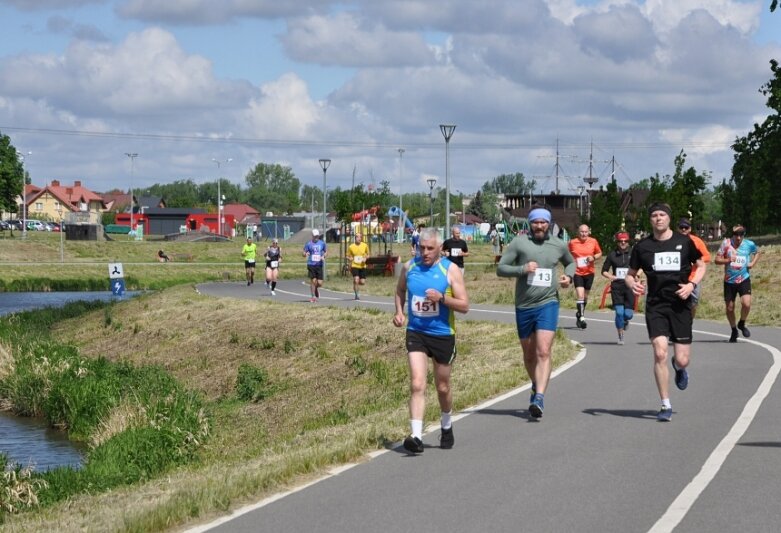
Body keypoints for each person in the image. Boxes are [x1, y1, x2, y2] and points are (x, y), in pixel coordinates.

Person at [624, 202, 706, 422]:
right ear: (650, 220)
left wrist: (691, 285)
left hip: (680, 305)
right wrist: (633, 284)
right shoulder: (642, 247)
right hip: (656, 305)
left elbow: (701, 265)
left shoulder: (684, 241)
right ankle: (665, 404)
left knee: (683, 359)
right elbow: (630, 274)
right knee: (660, 352)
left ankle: (679, 369)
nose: (658, 218)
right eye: (654, 215)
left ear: (669, 218)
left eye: (662, 215)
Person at [393, 227, 469, 454]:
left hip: (443, 334)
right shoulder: (410, 267)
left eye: (429, 249)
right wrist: (399, 312)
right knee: (417, 383)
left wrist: (442, 298)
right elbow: (399, 291)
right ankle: (416, 436)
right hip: (416, 332)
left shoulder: (450, 270)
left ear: (440, 250)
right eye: (421, 247)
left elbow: (465, 306)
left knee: (442, 387)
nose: (424, 252)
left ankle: (446, 425)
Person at [497, 207, 575, 419]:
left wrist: (569, 277)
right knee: (529, 354)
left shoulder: (558, 244)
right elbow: (501, 268)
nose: (539, 226)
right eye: (535, 222)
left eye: (543, 222)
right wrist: (522, 269)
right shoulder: (519, 243)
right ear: (529, 224)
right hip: (524, 305)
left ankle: (539, 396)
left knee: (543, 351)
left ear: (549, 223)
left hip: (548, 303)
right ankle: (535, 383)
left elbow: (570, 262)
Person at [714, 224, 760, 342]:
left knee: (746, 304)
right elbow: (716, 260)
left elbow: (758, 252)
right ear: (732, 234)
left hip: (744, 278)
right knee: (730, 308)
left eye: (741, 234)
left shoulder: (749, 244)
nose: (738, 237)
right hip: (729, 281)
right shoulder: (726, 244)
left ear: (744, 235)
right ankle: (734, 330)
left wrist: (753, 263)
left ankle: (742, 323)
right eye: (736, 234)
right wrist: (728, 260)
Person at [601, 232, 635, 345]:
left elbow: (641, 267)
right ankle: (620, 335)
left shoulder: (633, 253)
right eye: (621, 241)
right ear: (617, 242)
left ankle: (625, 321)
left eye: (625, 241)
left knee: (628, 314)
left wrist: (638, 275)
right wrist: (611, 276)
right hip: (617, 287)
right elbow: (604, 271)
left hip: (630, 286)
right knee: (619, 313)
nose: (623, 243)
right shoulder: (612, 255)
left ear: (628, 242)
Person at [568, 224, 603, 329]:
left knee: (586, 297)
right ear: (578, 232)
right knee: (580, 295)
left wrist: (593, 257)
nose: (583, 234)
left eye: (585, 232)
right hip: (577, 272)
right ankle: (582, 317)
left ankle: (579, 313)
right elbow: (565, 253)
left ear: (589, 232)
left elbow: (600, 253)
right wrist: (570, 262)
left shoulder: (593, 241)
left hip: (589, 272)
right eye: (581, 232)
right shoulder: (572, 242)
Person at [678, 218, 711, 318]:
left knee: (693, 302)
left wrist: (696, 261)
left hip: (693, 277)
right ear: (678, 228)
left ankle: (689, 321)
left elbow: (707, 256)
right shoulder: (673, 241)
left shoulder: (697, 241)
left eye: (686, 227)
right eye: (681, 227)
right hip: (678, 277)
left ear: (690, 229)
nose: (684, 229)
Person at [303, 229, 327, 303]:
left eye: (317, 236)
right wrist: (305, 254)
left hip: (319, 264)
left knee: (319, 283)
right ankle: (313, 297)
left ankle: (316, 288)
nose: (316, 237)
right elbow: (304, 252)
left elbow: (326, 252)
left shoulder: (322, 243)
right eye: (315, 236)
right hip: (311, 264)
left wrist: (323, 256)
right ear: (312, 236)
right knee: (313, 281)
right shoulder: (308, 244)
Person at [347, 233, 370, 300]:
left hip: (362, 266)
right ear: (355, 238)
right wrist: (350, 258)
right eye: (357, 237)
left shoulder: (365, 245)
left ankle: (355, 284)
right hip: (354, 265)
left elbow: (368, 254)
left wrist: (366, 258)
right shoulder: (351, 246)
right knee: (356, 280)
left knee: (362, 282)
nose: (359, 238)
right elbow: (347, 256)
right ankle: (356, 295)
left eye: (360, 237)